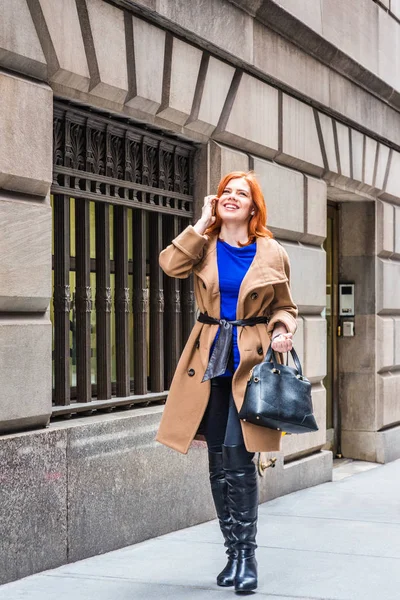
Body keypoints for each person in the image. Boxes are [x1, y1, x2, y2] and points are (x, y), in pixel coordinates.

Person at [156, 171, 298, 593]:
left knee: (237, 458)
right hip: (210, 361)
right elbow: (170, 264)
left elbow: (286, 306)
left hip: (251, 366)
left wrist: (280, 330)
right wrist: (201, 221)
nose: (231, 198)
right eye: (224, 194)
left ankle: (247, 557)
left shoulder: (271, 251)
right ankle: (232, 554)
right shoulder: (203, 246)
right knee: (218, 462)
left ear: (254, 207)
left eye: (241, 194)